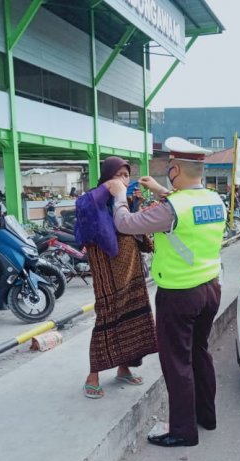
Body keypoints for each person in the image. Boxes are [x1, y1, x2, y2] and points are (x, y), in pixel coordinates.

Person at [109, 137, 224, 448]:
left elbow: (126, 223)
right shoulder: (214, 200)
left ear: (173, 169)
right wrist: (159, 190)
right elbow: (181, 206)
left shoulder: (173, 208)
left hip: (179, 294)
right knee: (200, 353)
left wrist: (120, 195)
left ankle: (183, 431)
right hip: (211, 288)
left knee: (177, 363)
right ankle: (206, 417)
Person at [76, 157, 158, 399]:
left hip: (131, 269)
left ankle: (124, 368)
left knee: (134, 316)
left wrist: (138, 208)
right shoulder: (93, 197)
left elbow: (133, 228)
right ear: (107, 176)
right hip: (107, 273)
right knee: (108, 317)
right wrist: (108, 189)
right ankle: (93, 375)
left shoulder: (126, 199)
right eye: (118, 174)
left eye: (126, 174)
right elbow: (85, 211)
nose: (123, 179)